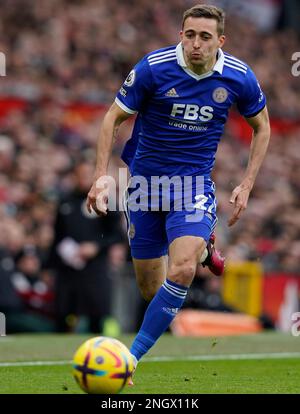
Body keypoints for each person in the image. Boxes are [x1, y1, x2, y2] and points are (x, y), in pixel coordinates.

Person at [87, 4, 270, 381]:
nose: (196, 44)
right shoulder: (154, 68)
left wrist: (247, 182)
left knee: (183, 269)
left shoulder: (239, 77)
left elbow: (262, 127)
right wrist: (101, 177)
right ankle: (204, 246)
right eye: (189, 35)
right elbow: (112, 118)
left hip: (192, 186)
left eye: (205, 37)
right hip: (144, 187)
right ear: (181, 35)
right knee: (151, 289)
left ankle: (129, 360)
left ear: (220, 41)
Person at [48, 160, 126, 333]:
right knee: (63, 313)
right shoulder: (65, 202)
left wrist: (96, 246)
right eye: (79, 174)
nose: (83, 179)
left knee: (96, 313)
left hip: (95, 268)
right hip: (68, 268)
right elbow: (57, 236)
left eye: (87, 174)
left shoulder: (105, 201)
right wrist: (49, 265)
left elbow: (117, 235)